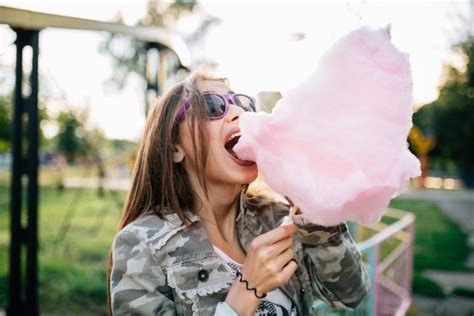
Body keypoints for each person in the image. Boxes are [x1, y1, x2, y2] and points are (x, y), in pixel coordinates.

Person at [107, 73, 370, 315]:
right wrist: (248, 290)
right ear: (176, 148)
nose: (238, 113)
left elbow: (351, 294)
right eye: (211, 106)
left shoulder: (279, 217)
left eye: (244, 105)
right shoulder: (141, 246)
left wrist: (313, 209)